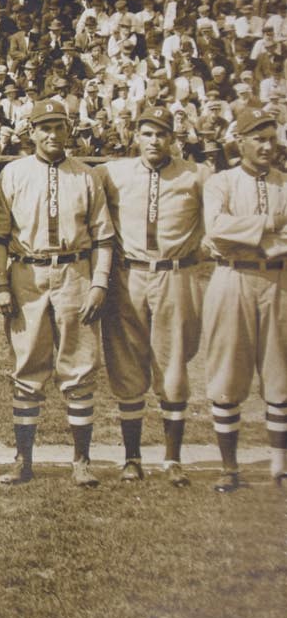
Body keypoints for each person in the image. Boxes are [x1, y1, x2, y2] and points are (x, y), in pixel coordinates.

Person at [0, 99, 116, 487]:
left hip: (75, 272)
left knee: (78, 368)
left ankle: (81, 461)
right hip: (27, 273)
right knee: (27, 368)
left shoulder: (86, 176)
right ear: (31, 132)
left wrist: (99, 282)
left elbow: (104, 237)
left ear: (68, 129)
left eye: (58, 127)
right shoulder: (13, 173)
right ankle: (22, 460)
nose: (52, 134)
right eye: (44, 127)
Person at [98, 106, 208, 486]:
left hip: (176, 274)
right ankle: (132, 458)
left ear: (172, 139)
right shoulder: (112, 173)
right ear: (136, 137)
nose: (154, 141)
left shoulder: (197, 175)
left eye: (161, 134)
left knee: (173, 362)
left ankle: (172, 459)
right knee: (127, 364)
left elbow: (217, 222)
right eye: (147, 133)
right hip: (129, 276)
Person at [200, 106, 287, 492]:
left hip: (278, 280)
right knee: (227, 374)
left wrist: (249, 233)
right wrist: (269, 225)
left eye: (272, 138)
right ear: (240, 141)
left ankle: (279, 467)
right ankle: (229, 467)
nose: (267, 146)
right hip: (231, 276)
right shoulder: (221, 182)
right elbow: (216, 229)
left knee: (280, 372)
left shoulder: (284, 183)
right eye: (259, 138)